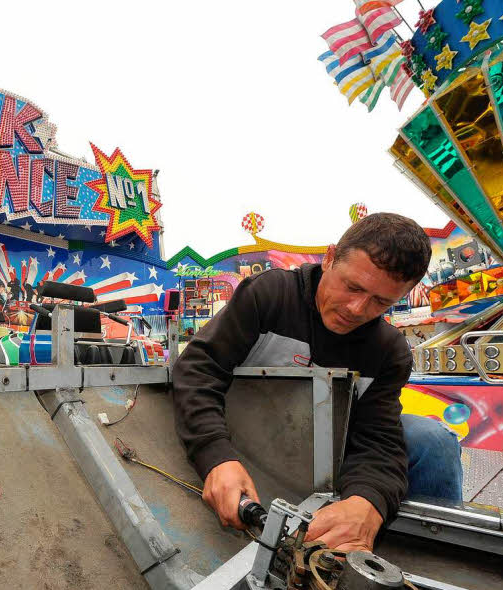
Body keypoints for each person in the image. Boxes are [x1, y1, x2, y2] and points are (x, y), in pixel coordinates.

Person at [172, 213, 462, 553]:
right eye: (353, 287)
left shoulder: (389, 350)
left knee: (432, 440)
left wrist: (367, 501)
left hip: (332, 464)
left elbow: (377, 439)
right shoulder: (269, 295)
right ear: (328, 258)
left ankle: (436, 554)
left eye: (381, 302)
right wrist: (216, 457)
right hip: (242, 442)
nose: (357, 309)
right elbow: (198, 370)